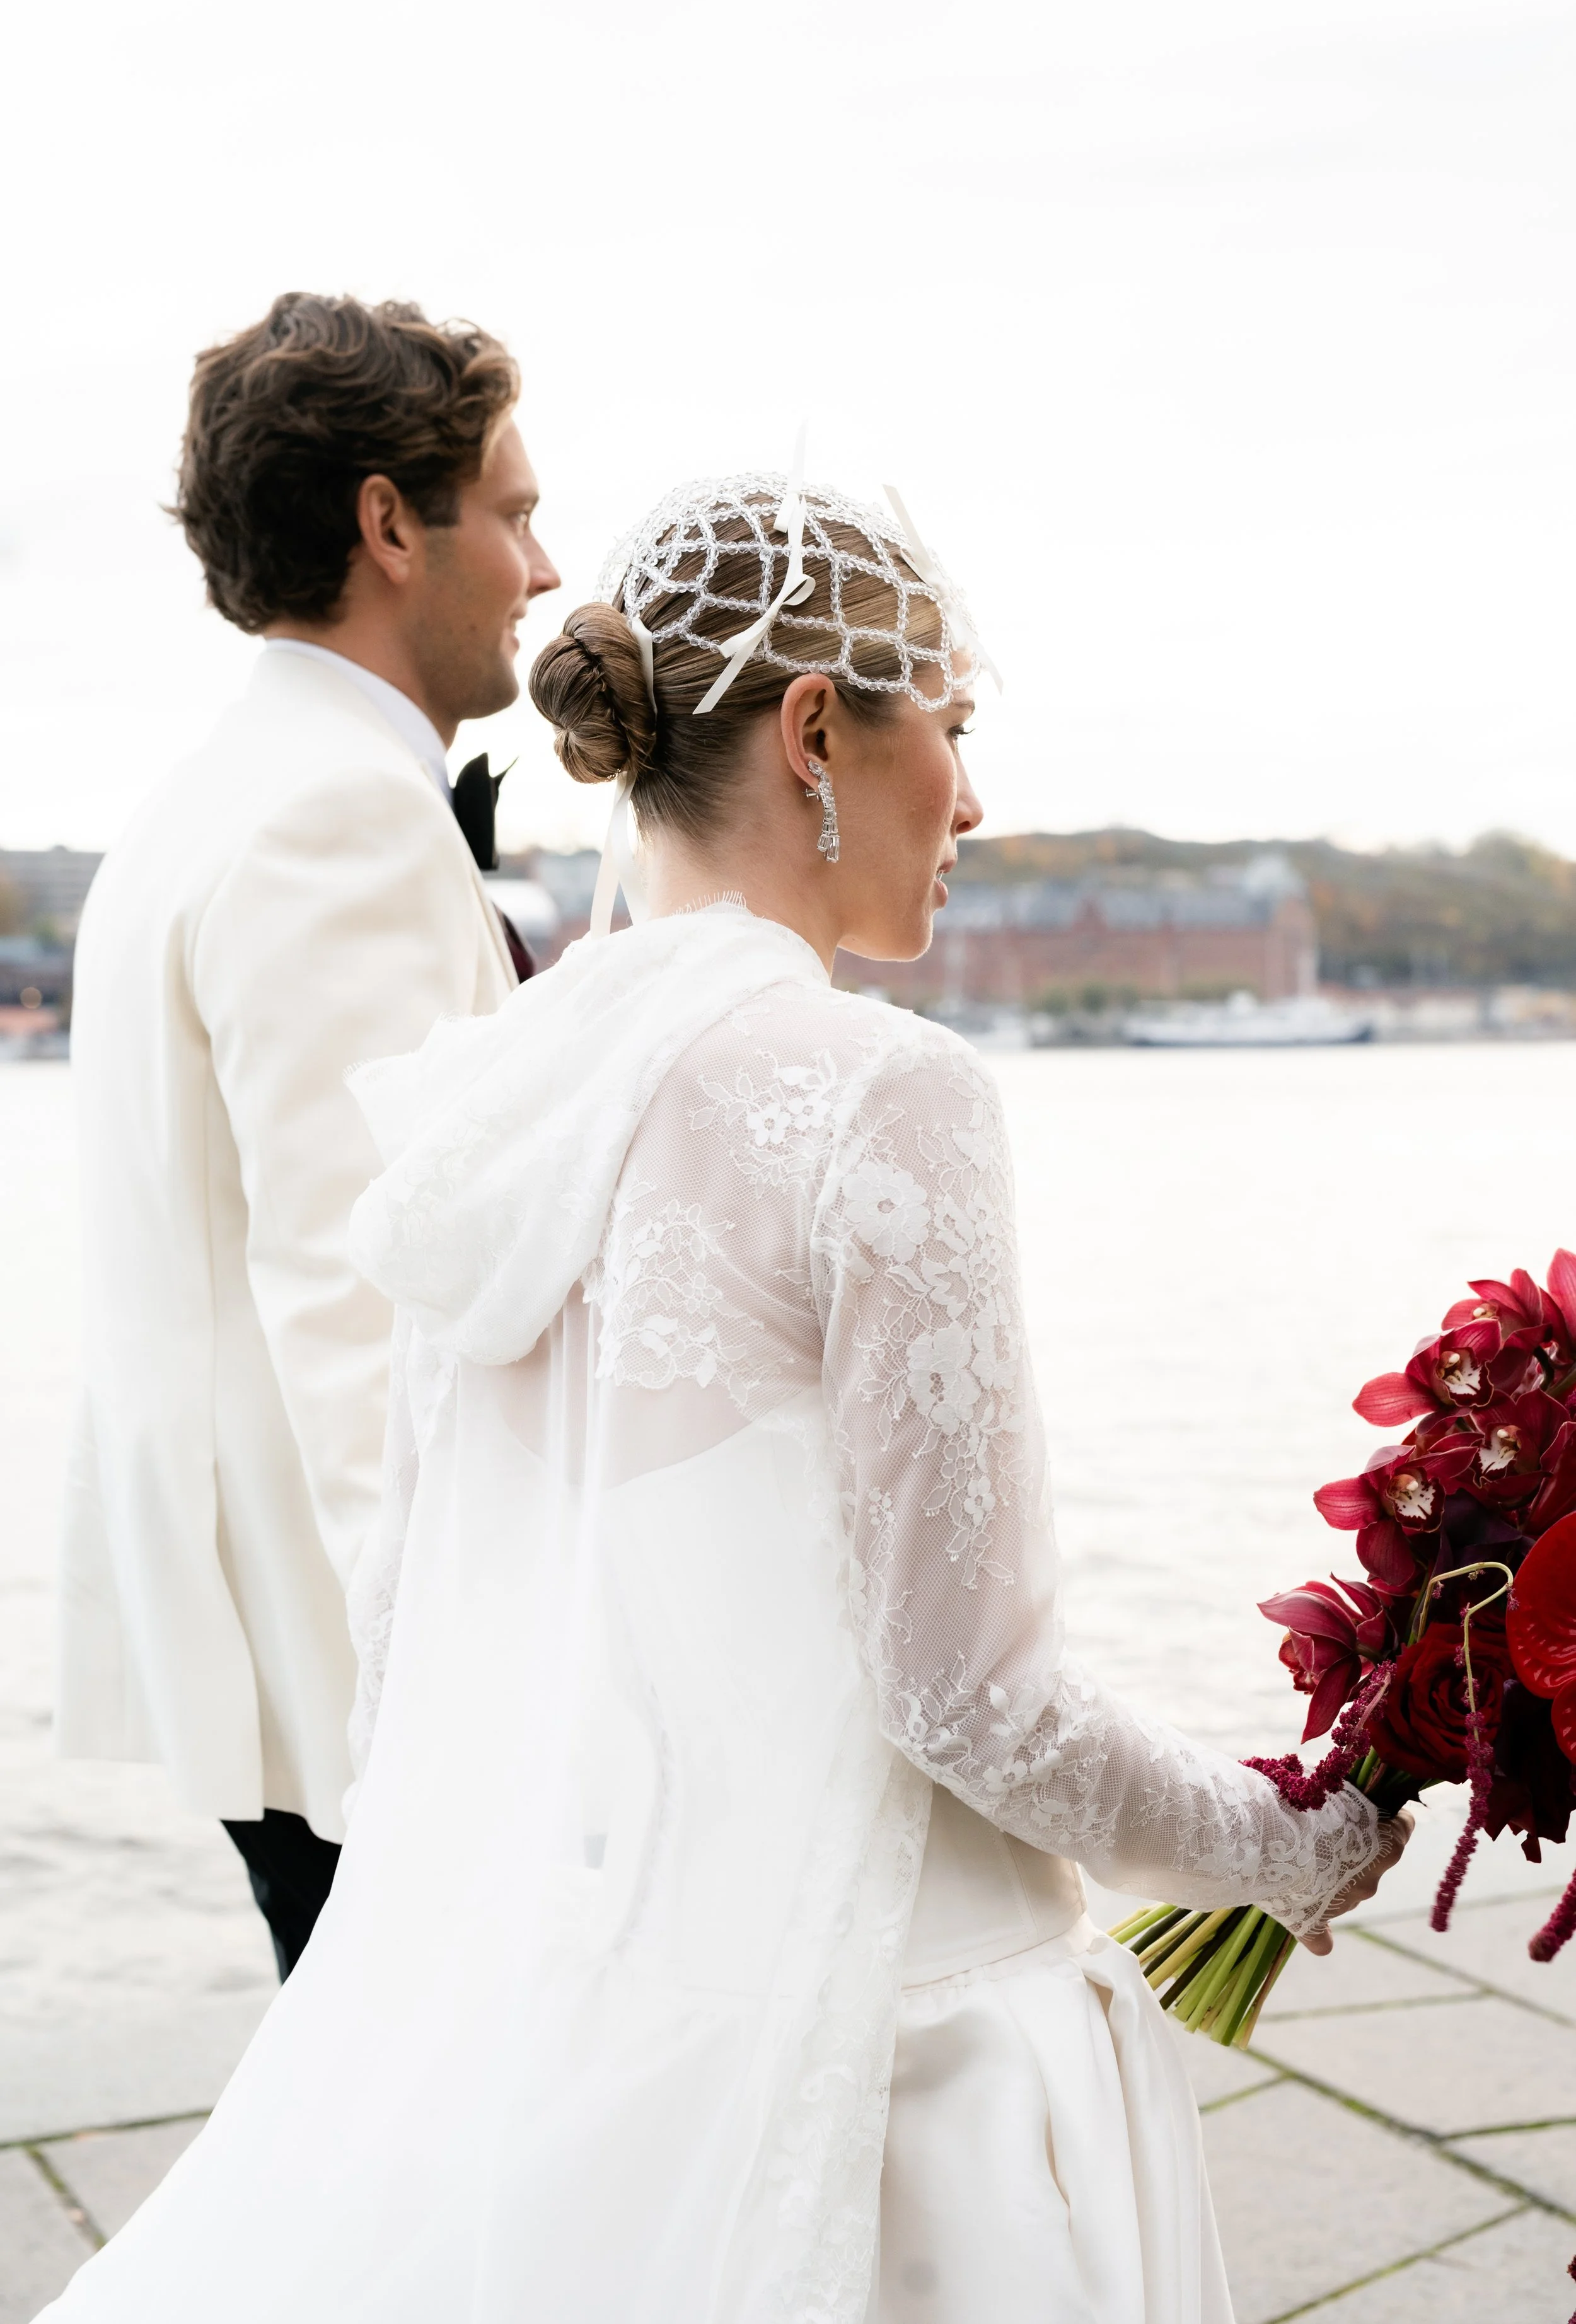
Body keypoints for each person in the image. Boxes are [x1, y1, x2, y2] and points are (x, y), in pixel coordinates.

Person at [38, 470, 1407, 2323]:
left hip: (592, 2029)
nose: (978, 800)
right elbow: (968, 1700)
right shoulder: (878, 1093)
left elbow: (404, 1637)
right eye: (956, 722)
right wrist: (1288, 1841)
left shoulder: (488, 1096)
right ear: (818, 727)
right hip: (896, 2061)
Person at [57, 292, 559, 1977]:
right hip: (343, 1657)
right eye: (510, 510)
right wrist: (449, 1690)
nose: (543, 568)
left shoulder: (207, 793)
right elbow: (360, 1292)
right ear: (386, 526)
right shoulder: (338, 812)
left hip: (248, 1625)